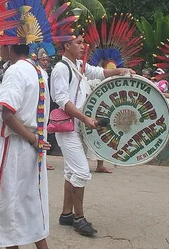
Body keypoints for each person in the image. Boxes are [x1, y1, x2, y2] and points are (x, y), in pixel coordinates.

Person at [51, 34, 134, 236]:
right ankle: (79, 219)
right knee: (80, 172)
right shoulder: (61, 69)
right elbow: (62, 99)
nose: (82, 46)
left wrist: (120, 70)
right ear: (66, 45)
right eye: (78, 42)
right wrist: (85, 118)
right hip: (68, 127)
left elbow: (98, 72)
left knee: (72, 172)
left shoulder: (77, 65)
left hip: (76, 126)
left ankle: (66, 214)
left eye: (82, 42)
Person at [0, 44, 51, 248]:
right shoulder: (38, 70)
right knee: (30, 205)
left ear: (9, 47)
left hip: (17, 148)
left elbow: (8, 114)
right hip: (32, 148)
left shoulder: (15, 70)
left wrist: (32, 139)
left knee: (7, 210)